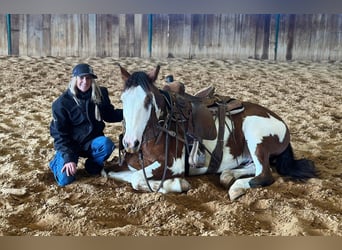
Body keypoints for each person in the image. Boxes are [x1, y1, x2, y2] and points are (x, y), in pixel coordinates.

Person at [49, 63, 123, 186]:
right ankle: (56, 162)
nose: (85, 81)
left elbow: (109, 115)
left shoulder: (100, 94)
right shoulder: (61, 103)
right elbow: (59, 134)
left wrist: (130, 113)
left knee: (106, 145)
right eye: (81, 78)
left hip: (91, 142)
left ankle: (92, 165)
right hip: (70, 145)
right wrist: (68, 159)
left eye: (88, 78)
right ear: (74, 79)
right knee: (65, 181)